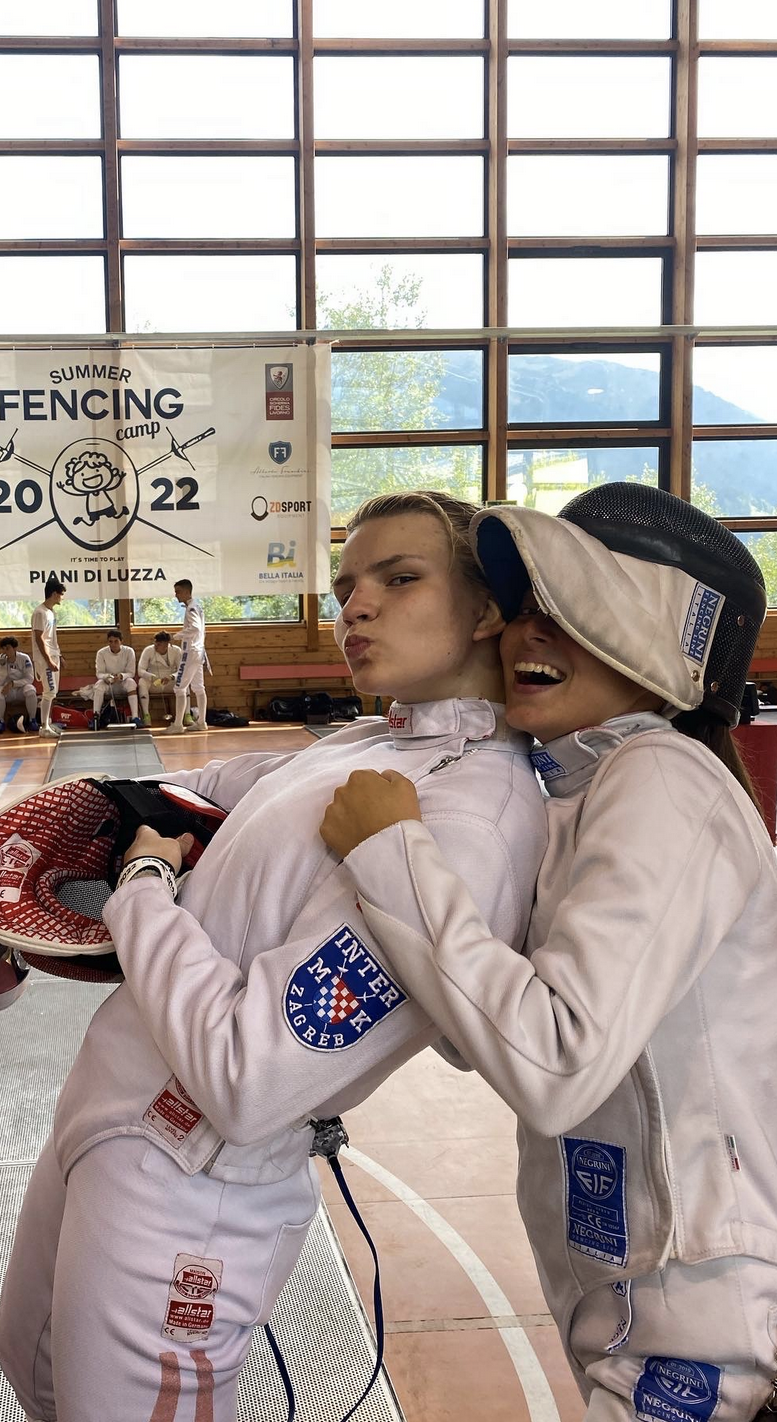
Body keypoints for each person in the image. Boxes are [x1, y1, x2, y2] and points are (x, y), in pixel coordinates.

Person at [0, 491, 549, 1422]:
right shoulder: (373, 738)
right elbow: (202, 789)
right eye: (346, 586)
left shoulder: (468, 823)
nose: (355, 607)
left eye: (399, 579)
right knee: (33, 1369)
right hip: (109, 1108)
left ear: (488, 607)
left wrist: (141, 886)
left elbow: (248, 1078)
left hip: (189, 1183)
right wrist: (18, 866)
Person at [321, 485, 777, 1421]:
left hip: (703, 1322)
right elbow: (479, 1034)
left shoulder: (662, 775)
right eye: (528, 606)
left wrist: (392, 854)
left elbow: (555, 1059)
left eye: (575, 612)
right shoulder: (571, 789)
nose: (530, 633)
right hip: (630, 1288)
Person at [168, 577, 207, 733]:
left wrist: (177, 636)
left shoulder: (191, 608)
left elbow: (196, 628)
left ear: (186, 592)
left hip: (190, 652)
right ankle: (201, 722)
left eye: (178, 592)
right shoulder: (197, 606)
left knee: (179, 688)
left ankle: (178, 725)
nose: (176, 595)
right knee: (198, 687)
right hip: (199, 651)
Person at [31, 577, 65, 739]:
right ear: (54, 594)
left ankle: (47, 723)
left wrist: (59, 656)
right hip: (45, 659)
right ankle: (44, 727)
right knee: (49, 691)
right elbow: (39, 638)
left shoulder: (51, 612)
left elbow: (52, 638)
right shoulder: (40, 612)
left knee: (52, 692)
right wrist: (49, 660)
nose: (62, 597)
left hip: (53, 655)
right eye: (61, 594)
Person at [92, 629, 140, 727]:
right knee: (98, 685)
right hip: (108, 683)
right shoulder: (101, 653)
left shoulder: (129, 651)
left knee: (131, 683)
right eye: (110, 641)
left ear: (121, 641)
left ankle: (135, 717)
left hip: (123, 683)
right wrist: (107, 677)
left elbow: (131, 672)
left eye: (116, 641)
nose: (113, 644)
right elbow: (99, 673)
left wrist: (121, 676)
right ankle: (96, 717)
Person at [0, 635, 38, 734]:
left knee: (31, 690)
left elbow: (29, 678)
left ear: (15, 648)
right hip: (7, 692)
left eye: (8, 648)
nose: (5, 652)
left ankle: (32, 720)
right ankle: (0, 721)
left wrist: (13, 684)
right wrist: (3, 667)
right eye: (3, 649)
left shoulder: (24, 658)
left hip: (21, 690)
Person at [136, 630, 180, 727]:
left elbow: (182, 670)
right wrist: (151, 677)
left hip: (170, 682)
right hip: (154, 683)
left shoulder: (176, 651)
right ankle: (146, 715)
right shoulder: (148, 650)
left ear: (166, 644)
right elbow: (140, 670)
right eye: (155, 642)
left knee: (184, 683)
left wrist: (172, 677)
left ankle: (186, 715)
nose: (156, 645)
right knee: (142, 682)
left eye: (159, 644)